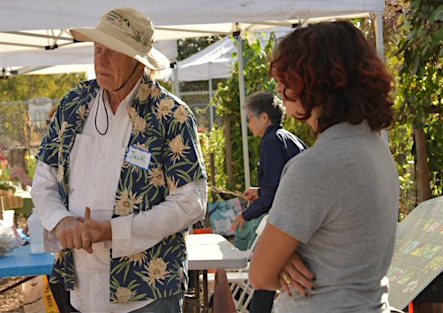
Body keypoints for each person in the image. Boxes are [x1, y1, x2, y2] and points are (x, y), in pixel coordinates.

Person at [31, 7, 207, 313]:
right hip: (81, 288)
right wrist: (63, 221)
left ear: (139, 60)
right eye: (98, 49)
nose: (101, 61)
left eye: (113, 52)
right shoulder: (74, 104)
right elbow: (44, 179)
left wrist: (114, 231)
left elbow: (191, 202)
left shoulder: (170, 114)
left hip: (147, 294)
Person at [249, 21, 399, 313]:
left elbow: (259, 275)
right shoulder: (376, 150)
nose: (279, 89)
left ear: (314, 82)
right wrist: (284, 255)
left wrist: (278, 259)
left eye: (287, 79)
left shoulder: (314, 167)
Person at [231, 91, 306, 313]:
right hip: (303, 219)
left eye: (249, 119)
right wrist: (258, 190)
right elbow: (283, 181)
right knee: (269, 277)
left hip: (290, 221)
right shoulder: (287, 138)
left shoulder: (271, 142)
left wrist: (246, 214)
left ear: (264, 118)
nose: (248, 125)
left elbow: (273, 194)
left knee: (263, 275)